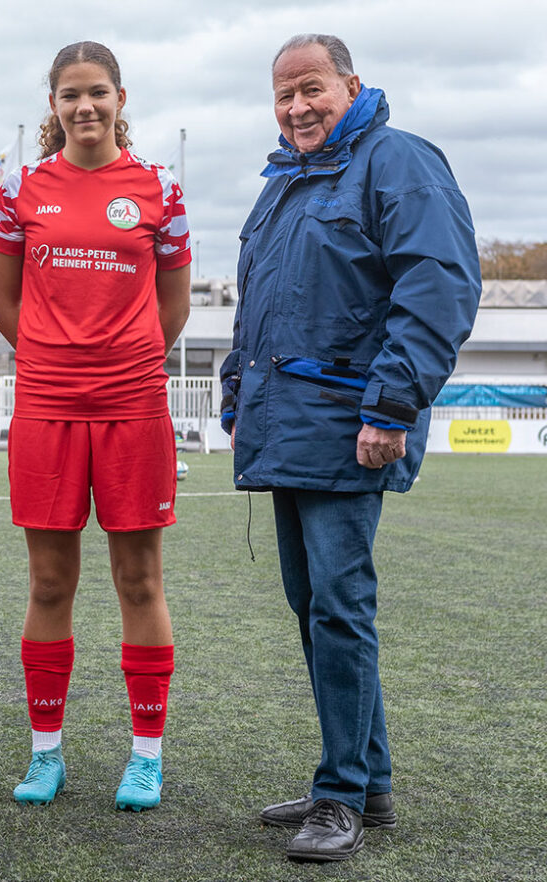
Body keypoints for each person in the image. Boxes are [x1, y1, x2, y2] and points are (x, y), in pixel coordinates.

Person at [221, 34, 480, 861]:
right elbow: (259, 303)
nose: (297, 107)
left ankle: (339, 798)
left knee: (340, 607)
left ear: (351, 85)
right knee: (316, 607)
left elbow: (438, 282)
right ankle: (364, 777)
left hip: (350, 424)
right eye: (283, 95)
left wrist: (393, 402)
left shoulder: (397, 160)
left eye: (312, 89)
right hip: (287, 423)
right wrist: (236, 388)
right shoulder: (284, 185)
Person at [0, 41, 191, 812]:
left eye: (97, 93)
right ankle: (47, 754)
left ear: (120, 96)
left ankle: (146, 756)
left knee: (139, 579)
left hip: (134, 404)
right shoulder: (21, 190)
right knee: (49, 582)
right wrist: (52, 355)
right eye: (70, 95)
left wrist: (126, 354)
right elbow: (4, 301)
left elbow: (171, 306)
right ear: (53, 104)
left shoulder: (159, 189)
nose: (85, 107)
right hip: (46, 404)